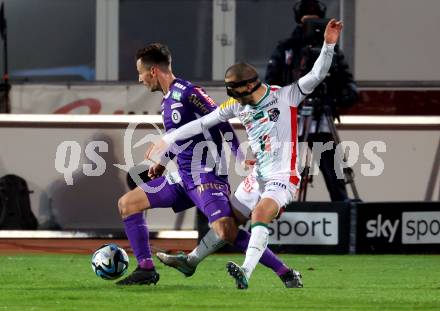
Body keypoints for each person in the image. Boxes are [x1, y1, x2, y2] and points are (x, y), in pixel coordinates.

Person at [146, 19, 342, 289]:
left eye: (234, 90)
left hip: (284, 176)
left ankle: (245, 272)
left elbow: (317, 74)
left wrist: (329, 44)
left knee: (260, 215)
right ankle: (191, 262)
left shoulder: (285, 97)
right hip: (257, 175)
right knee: (227, 224)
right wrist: (167, 138)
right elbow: (203, 122)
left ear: (249, 86)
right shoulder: (237, 105)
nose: (232, 96)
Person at [117, 43, 300, 287]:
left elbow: (221, 123)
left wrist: (238, 155)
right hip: (183, 177)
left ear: (152, 71)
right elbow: (181, 137)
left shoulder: (189, 92)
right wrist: (163, 162)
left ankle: (285, 272)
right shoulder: (167, 100)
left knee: (226, 231)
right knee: (128, 204)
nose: (139, 79)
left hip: (206, 176)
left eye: (140, 72)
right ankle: (146, 269)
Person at [265, 0, 358, 201]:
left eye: (317, 23)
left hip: (321, 118)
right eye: (308, 23)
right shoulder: (287, 48)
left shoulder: (331, 51)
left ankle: (343, 208)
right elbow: (270, 83)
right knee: (284, 171)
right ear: (299, 22)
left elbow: (347, 84)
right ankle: (278, 208)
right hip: (291, 117)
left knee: (333, 170)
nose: (313, 28)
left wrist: (337, 98)